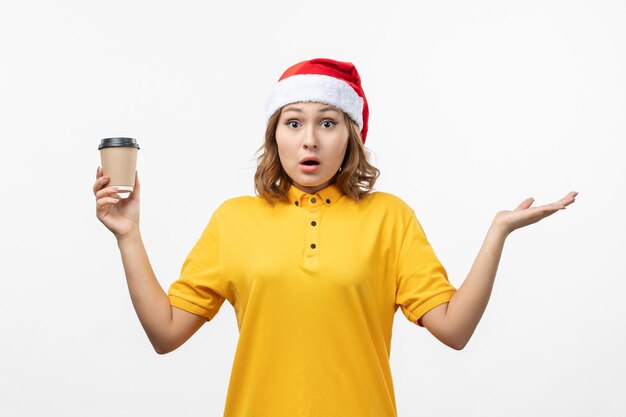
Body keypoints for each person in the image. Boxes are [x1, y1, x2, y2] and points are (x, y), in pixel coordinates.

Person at [93, 58, 578, 416]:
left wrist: (497, 234)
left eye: (327, 123)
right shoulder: (234, 220)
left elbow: (454, 330)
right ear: (275, 135)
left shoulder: (389, 217)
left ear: (350, 136)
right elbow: (165, 334)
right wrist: (128, 235)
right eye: (293, 122)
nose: (310, 139)